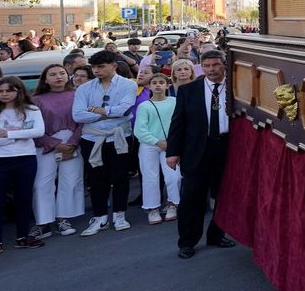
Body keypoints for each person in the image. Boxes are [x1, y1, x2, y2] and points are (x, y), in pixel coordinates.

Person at [167, 50, 237, 258]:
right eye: (206, 66)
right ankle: (187, 242)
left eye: (215, 65)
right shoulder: (189, 90)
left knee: (224, 196)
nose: (211, 70)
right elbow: (177, 123)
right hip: (197, 150)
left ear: (224, 65)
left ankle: (216, 234)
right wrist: (173, 152)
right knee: (192, 198)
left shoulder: (236, 88)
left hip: (226, 147)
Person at [0, 75, 48, 257]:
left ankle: (23, 236)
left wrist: (6, 134)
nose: (4, 94)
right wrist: (20, 135)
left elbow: (38, 131)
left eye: (9, 90)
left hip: (25, 158)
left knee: (23, 198)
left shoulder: (31, 109)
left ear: (19, 91)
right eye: (0, 91)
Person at [73, 50, 138, 237]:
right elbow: (78, 115)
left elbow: (124, 110)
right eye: (94, 67)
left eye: (101, 67)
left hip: (119, 136)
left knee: (120, 177)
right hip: (91, 138)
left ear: (114, 66)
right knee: (96, 178)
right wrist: (108, 112)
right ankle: (100, 216)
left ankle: (120, 214)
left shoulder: (127, 85)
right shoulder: (84, 88)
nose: (96, 71)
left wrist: (96, 110)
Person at [31, 64, 84, 237]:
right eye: (52, 74)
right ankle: (43, 221)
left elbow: (82, 121)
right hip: (45, 144)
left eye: (62, 73)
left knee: (70, 181)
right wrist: (54, 144)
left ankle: (64, 217)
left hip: (72, 144)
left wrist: (73, 143)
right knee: (42, 183)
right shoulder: (37, 99)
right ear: (45, 79)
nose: (58, 77)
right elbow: (33, 126)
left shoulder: (78, 95)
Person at [134, 72, 182, 224]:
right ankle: (152, 208)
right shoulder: (144, 106)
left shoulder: (174, 101)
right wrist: (157, 141)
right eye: (154, 83)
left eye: (161, 82)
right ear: (149, 86)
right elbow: (139, 130)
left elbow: (180, 123)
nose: (158, 85)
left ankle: (173, 204)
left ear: (167, 85)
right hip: (149, 146)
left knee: (174, 176)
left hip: (171, 144)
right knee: (150, 177)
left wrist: (173, 142)